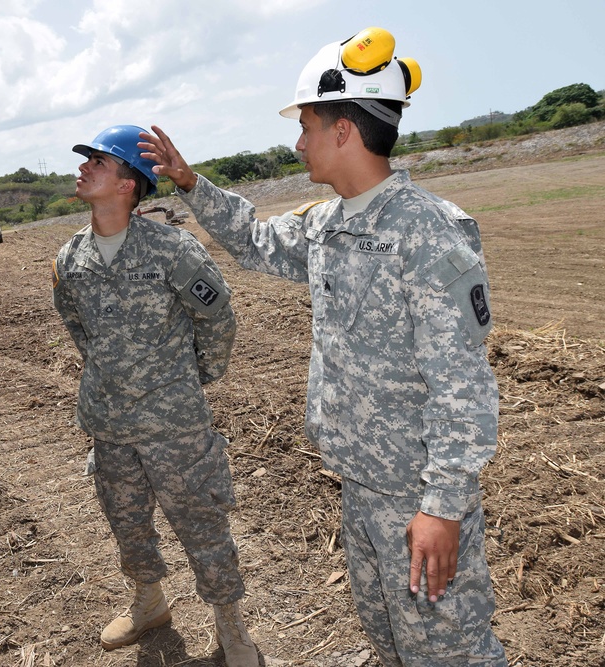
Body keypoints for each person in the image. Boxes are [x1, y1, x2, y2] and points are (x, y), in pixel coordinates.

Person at [139, 27, 507, 667]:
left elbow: (463, 385)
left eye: (307, 124)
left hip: (415, 494)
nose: (298, 141)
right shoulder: (328, 225)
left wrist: (443, 507)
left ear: (344, 130)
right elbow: (253, 240)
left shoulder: (428, 231)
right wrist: (192, 185)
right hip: (358, 486)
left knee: (451, 653)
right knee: (391, 645)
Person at [52, 125, 261, 666]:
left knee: (202, 524)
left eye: (98, 161)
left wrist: (195, 378)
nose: (84, 168)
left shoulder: (172, 248)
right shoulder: (69, 258)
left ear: (128, 184)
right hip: (110, 422)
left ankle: (231, 627)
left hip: (175, 423)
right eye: (86, 160)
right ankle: (149, 602)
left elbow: (216, 317)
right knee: (126, 520)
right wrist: (109, 374)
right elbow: (77, 326)